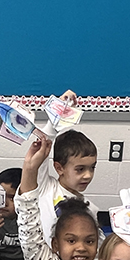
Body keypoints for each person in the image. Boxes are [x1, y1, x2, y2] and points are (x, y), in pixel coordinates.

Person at [34, 91, 101, 248]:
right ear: (59, 168)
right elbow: (42, 145)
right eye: (80, 169)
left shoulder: (89, 209)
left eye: (92, 168)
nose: (88, 175)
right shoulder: (45, 188)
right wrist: (56, 114)